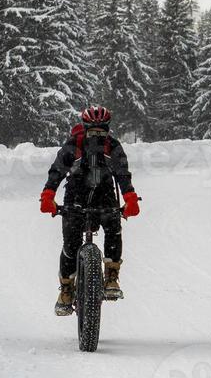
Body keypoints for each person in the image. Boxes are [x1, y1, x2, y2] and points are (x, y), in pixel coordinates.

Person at [40, 105, 140, 315]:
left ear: (107, 129)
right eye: (93, 131)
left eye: (102, 131)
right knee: (70, 242)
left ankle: (111, 275)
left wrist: (130, 197)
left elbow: (122, 174)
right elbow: (57, 170)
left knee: (114, 228)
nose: (98, 135)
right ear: (85, 128)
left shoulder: (113, 146)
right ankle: (66, 287)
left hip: (105, 194)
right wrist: (48, 195)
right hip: (75, 195)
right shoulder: (73, 145)